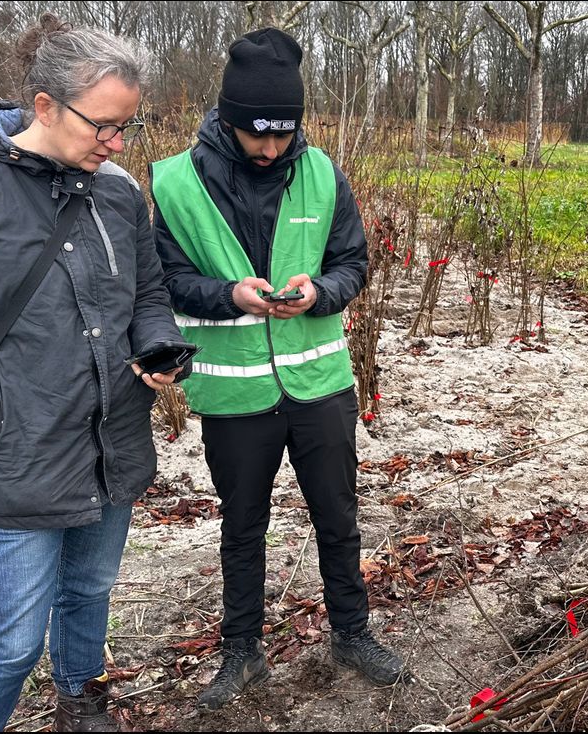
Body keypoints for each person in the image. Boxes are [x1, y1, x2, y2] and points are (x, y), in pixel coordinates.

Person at [0, 14, 183, 732]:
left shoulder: (117, 190)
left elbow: (147, 293)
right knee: (12, 640)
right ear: (45, 105)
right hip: (13, 450)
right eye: (103, 126)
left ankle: (80, 701)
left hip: (110, 438)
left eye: (127, 127)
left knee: (90, 592)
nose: (116, 144)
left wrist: (159, 346)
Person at [149, 27, 404, 709]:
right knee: (242, 528)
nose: (270, 149)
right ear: (228, 119)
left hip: (320, 386)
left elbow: (354, 262)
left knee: (337, 518)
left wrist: (321, 291)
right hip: (234, 396)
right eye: (257, 136)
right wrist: (229, 296)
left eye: (283, 135)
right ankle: (242, 653)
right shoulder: (176, 183)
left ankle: (352, 634)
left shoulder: (322, 172)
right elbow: (165, 281)